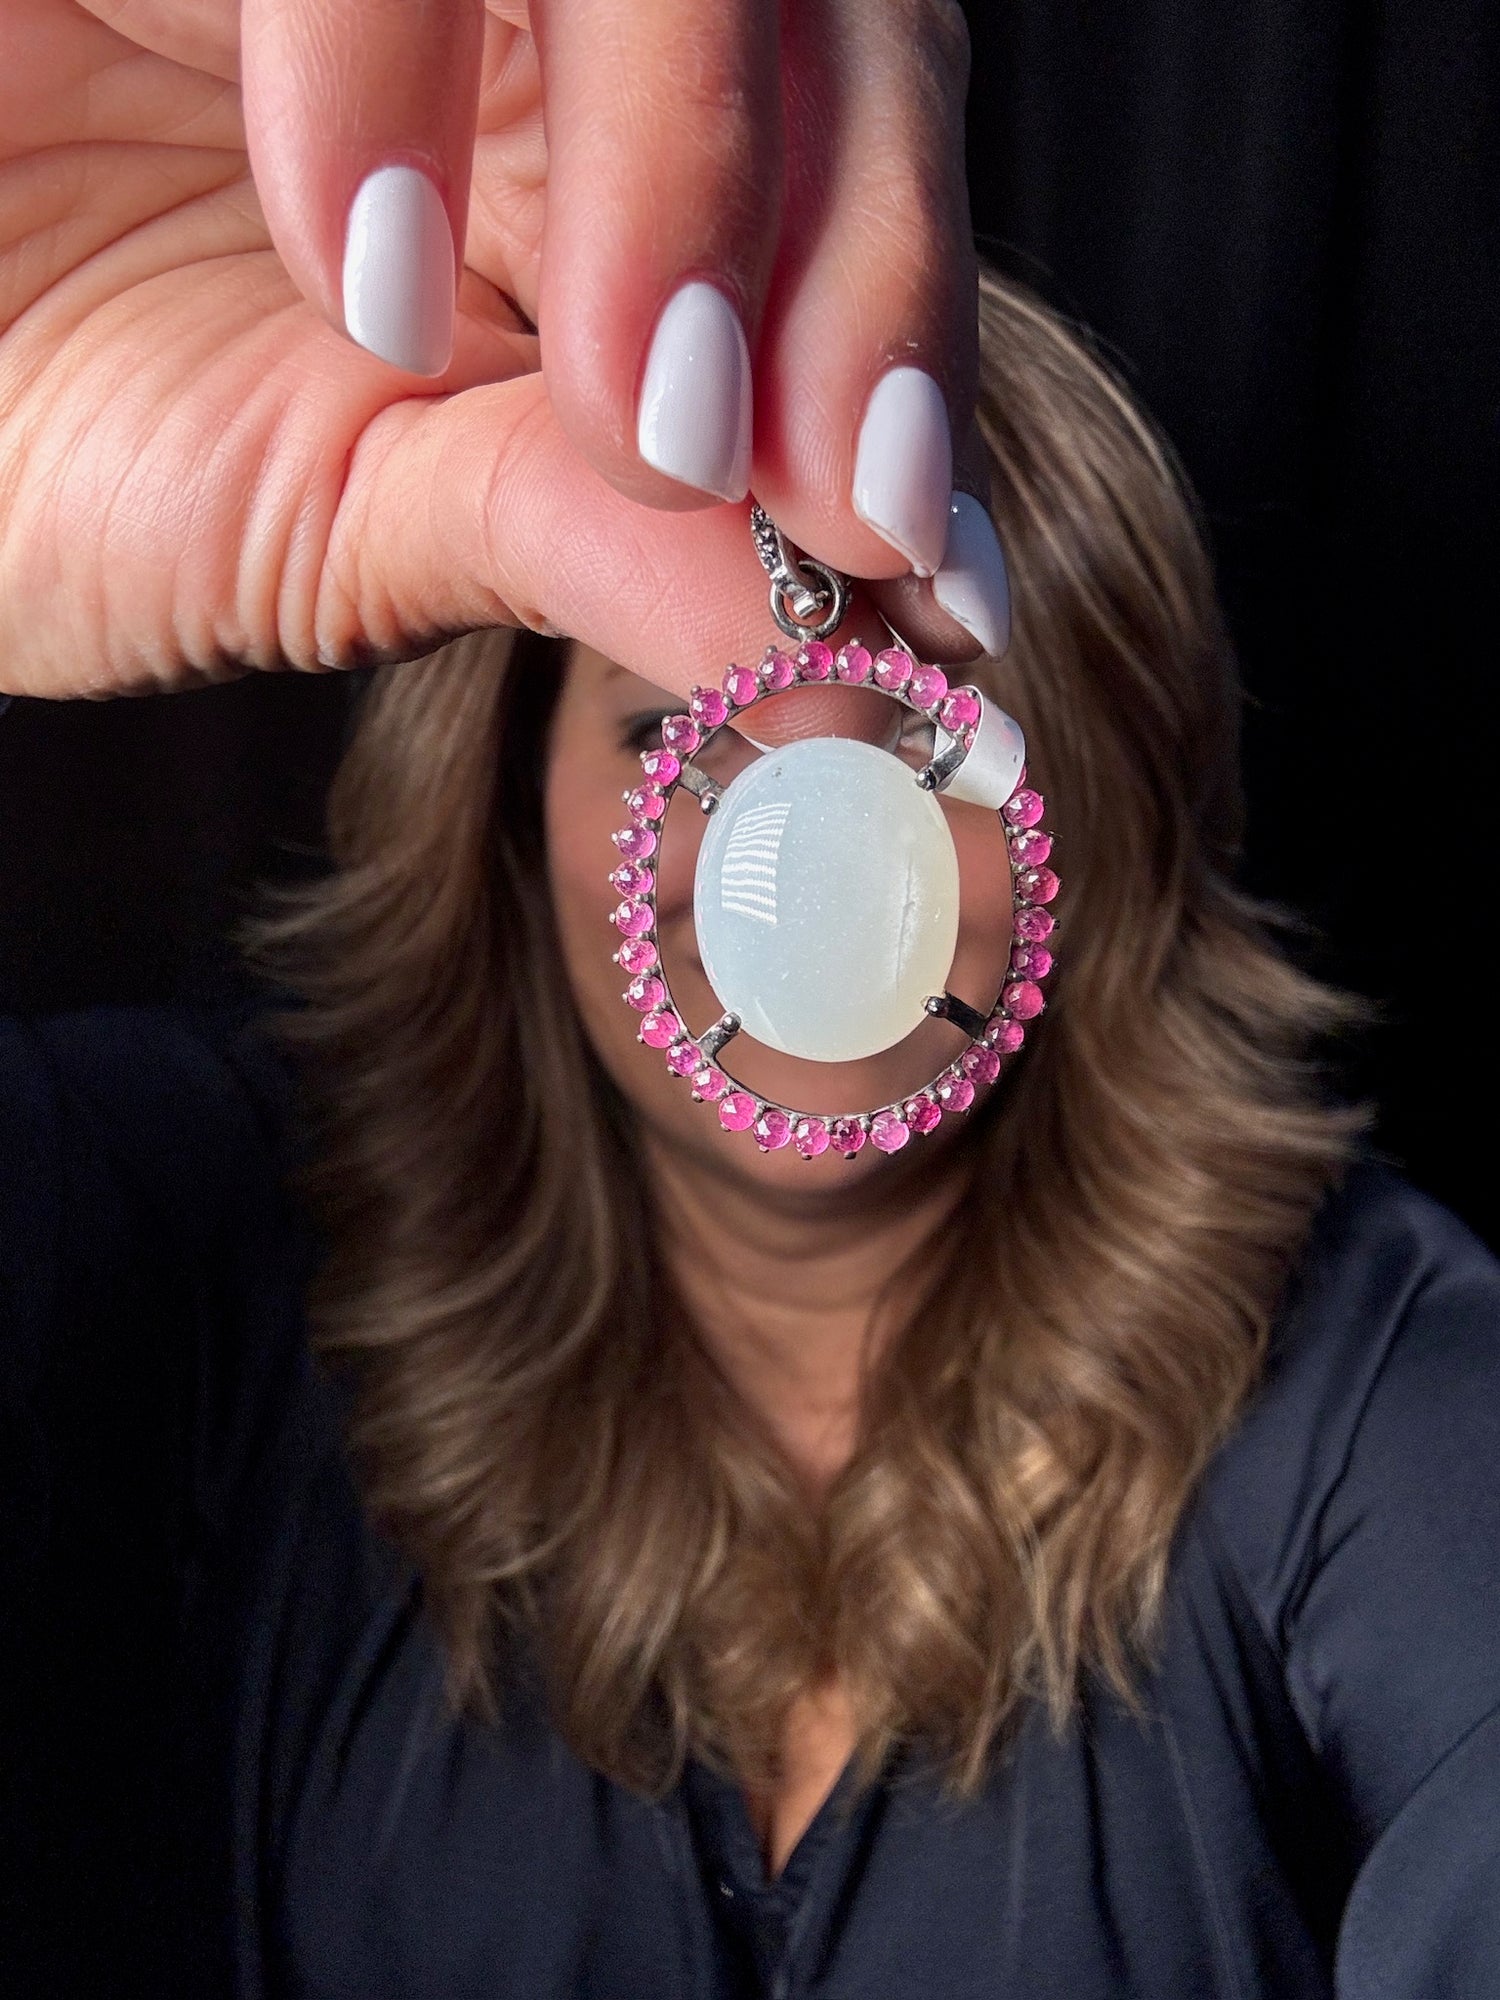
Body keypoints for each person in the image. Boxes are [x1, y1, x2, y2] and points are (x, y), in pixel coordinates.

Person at [3, 5, 1498, 1998]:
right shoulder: (184, 1250)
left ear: (1104, 837)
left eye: (924, 748)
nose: (804, 859)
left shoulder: (1373, 1386)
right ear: (506, 831)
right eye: (678, 734)